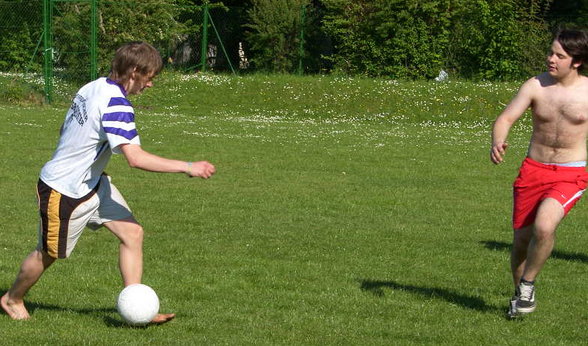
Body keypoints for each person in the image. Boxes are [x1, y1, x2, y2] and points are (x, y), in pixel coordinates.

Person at [1, 42, 216, 322]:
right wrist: (188, 166)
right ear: (135, 71)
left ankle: (137, 306)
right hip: (64, 191)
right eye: (149, 77)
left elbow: (66, 125)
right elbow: (136, 159)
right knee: (49, 253)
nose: (150, 85)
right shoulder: (117, 105)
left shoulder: (93, 86)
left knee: (132, 234)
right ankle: (11, 299)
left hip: (92, 185)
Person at [491, 29, 588, 318]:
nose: (551, 59)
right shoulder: (535, 86)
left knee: (545, 226)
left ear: (577, 61)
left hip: (570, 173)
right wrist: (498, 140)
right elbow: (506, 117)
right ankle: (520, 293)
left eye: (560, 55)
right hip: (533, 170)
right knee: (521, 243)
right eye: (551, 52)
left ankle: (528, 285)